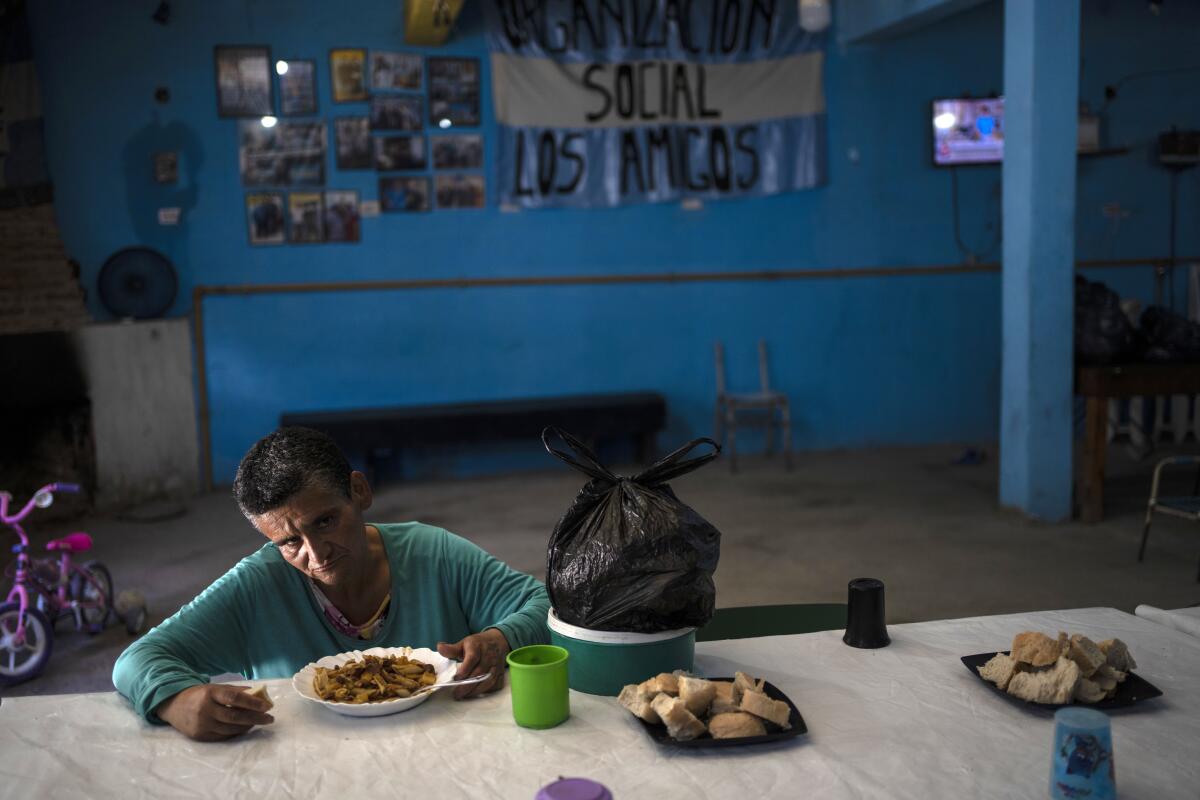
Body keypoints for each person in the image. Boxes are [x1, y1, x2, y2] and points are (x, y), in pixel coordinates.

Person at [112, 427, 550, 741]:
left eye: (326, 521)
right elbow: (137, 659)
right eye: (289, 542)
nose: (317, 555)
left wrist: (502, 638)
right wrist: (176, 701)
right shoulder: (256, 587)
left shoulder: (433, 554)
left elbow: (541, 601)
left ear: (358, 492)